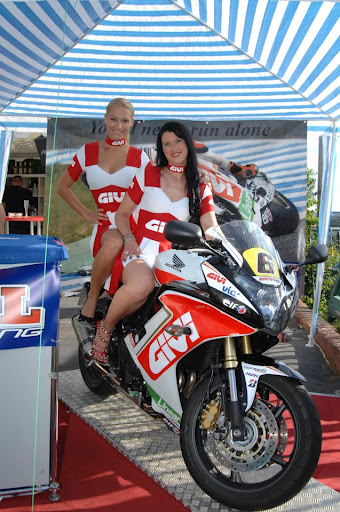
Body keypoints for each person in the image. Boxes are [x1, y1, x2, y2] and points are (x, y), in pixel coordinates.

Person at [91, 121, 221, 365]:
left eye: (177, 141)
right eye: (166, 144)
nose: (173, 148)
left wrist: (223, 245)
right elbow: (121, 214)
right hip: (141, 247)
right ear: (161, 149)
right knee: (142, 285)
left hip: (175, 255)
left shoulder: (200, 183)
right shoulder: (148, 173)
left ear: (187, 143)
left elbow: (210, 225)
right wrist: (128, 239)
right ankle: (105, 329)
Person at [57, 98, 149, 326]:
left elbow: (156, 191)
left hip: (131, 229)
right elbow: (62, 187)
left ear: (132, 122)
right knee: (111, 242)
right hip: (104, 229)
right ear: (105, 119)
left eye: (125, 120)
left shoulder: (141, 157)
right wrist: (86, 214)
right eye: (113, 119)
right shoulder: (87, 152)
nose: (119, 125)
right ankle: (92, 297)